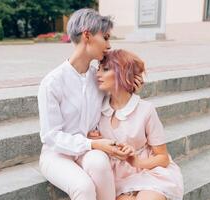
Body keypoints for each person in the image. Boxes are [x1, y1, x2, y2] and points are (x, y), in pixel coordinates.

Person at [38, 9, 143, 200]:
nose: (109, 45)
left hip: (87, 149)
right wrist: (92, 142)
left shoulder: (98, 78)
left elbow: (114, 105)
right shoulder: (52, 82)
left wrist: (130, 88)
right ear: (87, 35)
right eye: (105, 37)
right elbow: (50, 136)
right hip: (57, 154)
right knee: (83, 187)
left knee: (100, 163)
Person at [95, 49, 184, 200]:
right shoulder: (97, 108)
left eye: (105, 69)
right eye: (98, 69)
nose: (97, 74)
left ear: (121, 73)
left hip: (148, 171)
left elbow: (163, 158)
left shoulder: (145, 110)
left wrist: (137, 161)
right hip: (116, 178)